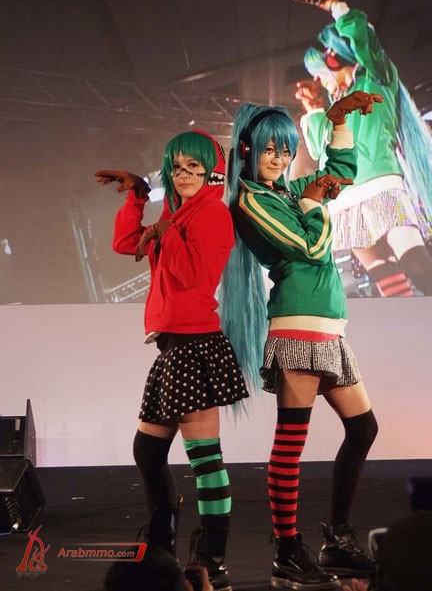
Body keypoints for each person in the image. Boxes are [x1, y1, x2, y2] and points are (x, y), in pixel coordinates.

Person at [220, 96, 381, 590]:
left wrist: (338, 122)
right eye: (271, 149)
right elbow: (310, 246)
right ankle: (288, 550)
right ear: (247, 149)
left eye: (286, 151)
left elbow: (340, 174)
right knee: (291, 443)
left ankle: (337, 539)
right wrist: (312, 200)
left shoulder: (284, 191)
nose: (280, 158)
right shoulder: (250, 201)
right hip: (297, 327)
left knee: (363, 429)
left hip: (329, 327)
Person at [95, 130, 249, 591]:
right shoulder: (177, 213)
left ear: (212, 173)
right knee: (148, 451)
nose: (182, 175)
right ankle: (161, 551)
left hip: (195, 346)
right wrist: (139, 196)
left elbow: (193, 273)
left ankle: (212, 561)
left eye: (193, 167)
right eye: (177, 167)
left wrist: (169, 232)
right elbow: (126, 243)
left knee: (205, 461)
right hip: (173, 349)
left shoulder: (213, 214)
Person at [292, 0, 432, 297]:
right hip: (345, 197)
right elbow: (319, 150)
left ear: (336, 60)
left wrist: (334, 5)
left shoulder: (376, 78)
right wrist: (313, 109)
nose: (318, 80)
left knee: (419, 268)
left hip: (380, 186)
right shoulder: (335, 108)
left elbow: (365, 40)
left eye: (320, 72)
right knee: (388, 284)